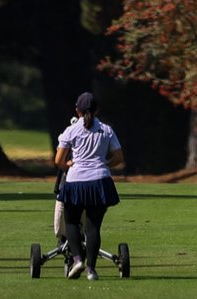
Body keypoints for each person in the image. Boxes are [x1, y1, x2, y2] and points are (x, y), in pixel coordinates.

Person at [54, 92, 124, 282]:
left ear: (77, 110)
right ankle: (91, 270)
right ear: (97, 109)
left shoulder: (71, 130)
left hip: (76, 181)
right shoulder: (106, 130)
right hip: (100, 181)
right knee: (93, 227)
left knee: (71, 222)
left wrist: (69, 165)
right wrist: (104, 164)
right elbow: (118, 158)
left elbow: (59, 160)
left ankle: (78, 260)